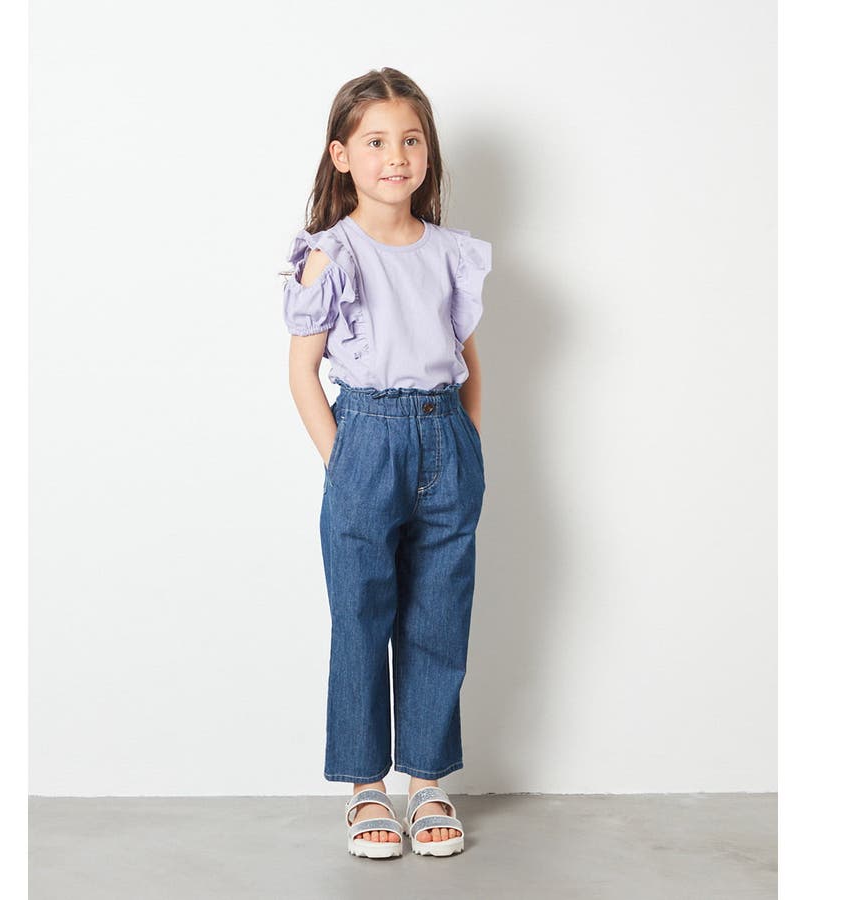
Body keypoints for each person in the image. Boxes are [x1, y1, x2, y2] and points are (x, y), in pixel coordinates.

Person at [281, 67, 491, 859]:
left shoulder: (451, 253)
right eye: (374, 142)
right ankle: (366, 785)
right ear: (341, 155)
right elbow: (303, 372)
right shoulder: (329, 254)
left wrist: (467, 444)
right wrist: (345, 462)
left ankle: (427, 779)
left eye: (410, 140)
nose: (395, 156)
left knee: (439, 617)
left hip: (445, 437)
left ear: (428, 153)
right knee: (362, 617)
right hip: (365, 437)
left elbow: (467, 361)